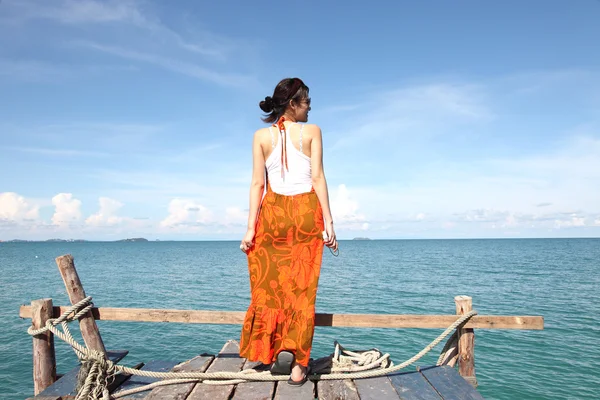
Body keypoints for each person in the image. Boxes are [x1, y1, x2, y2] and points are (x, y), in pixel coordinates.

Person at [239, 77, 337, 385]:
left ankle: (268, 350)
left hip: (273, 215)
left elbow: (257, 184)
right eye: (306, 102)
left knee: (269, 286)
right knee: (302, 291)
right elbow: (318, 177)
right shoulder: (313, 132)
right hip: (307, 212)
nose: (310, 108)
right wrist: (330, 222)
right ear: (292, 104)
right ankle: (298, 365)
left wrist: (250, 228)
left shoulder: (260, 136)